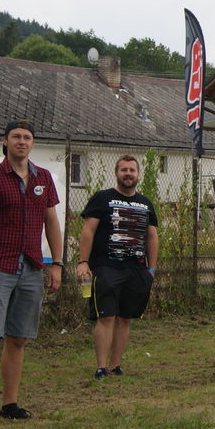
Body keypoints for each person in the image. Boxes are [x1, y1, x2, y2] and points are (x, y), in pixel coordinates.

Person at [0, 120, 62, 428]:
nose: (22, 141)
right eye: (16, 137)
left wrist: (57, 263)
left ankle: (10, 403)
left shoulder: (43, 177)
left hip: (31, 267)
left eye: (27, 137)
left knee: (18, 338)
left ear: (32, 143)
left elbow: (51, 222)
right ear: (5, 142)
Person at [75, 155, 159, 380]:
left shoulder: (146, 203)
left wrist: (151, 269)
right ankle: (101, 367)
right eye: (124, 170)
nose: (128, 174)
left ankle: (115, 365)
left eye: (132, 170)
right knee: (106, 317)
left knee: (125, 318)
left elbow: (152, 236)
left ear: (138, 174)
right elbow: (88, 230)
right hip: (106, 267)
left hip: (137, 270)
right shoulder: (102, 198)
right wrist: (83, 261)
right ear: (116, 173)